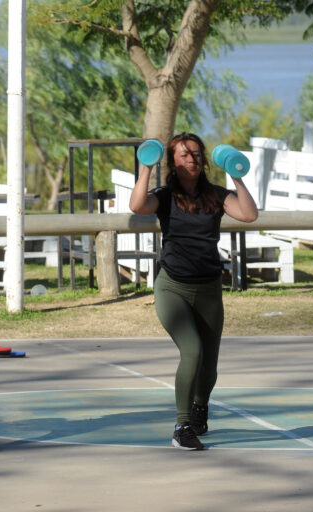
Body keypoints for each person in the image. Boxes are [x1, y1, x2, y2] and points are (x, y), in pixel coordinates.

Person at [129, 133, 258, 450]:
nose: (193, 158)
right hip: (172, 287)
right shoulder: (165, 195)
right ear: (173, 160)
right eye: (185, 154)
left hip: (209, 289)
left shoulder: (217, 195)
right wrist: (146, 165)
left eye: (197, 153)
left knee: (209, 366)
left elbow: (249, 214)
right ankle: (182, 426)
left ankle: (200, 408)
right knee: (193, 351)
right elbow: (136, 205)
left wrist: (237, 176)